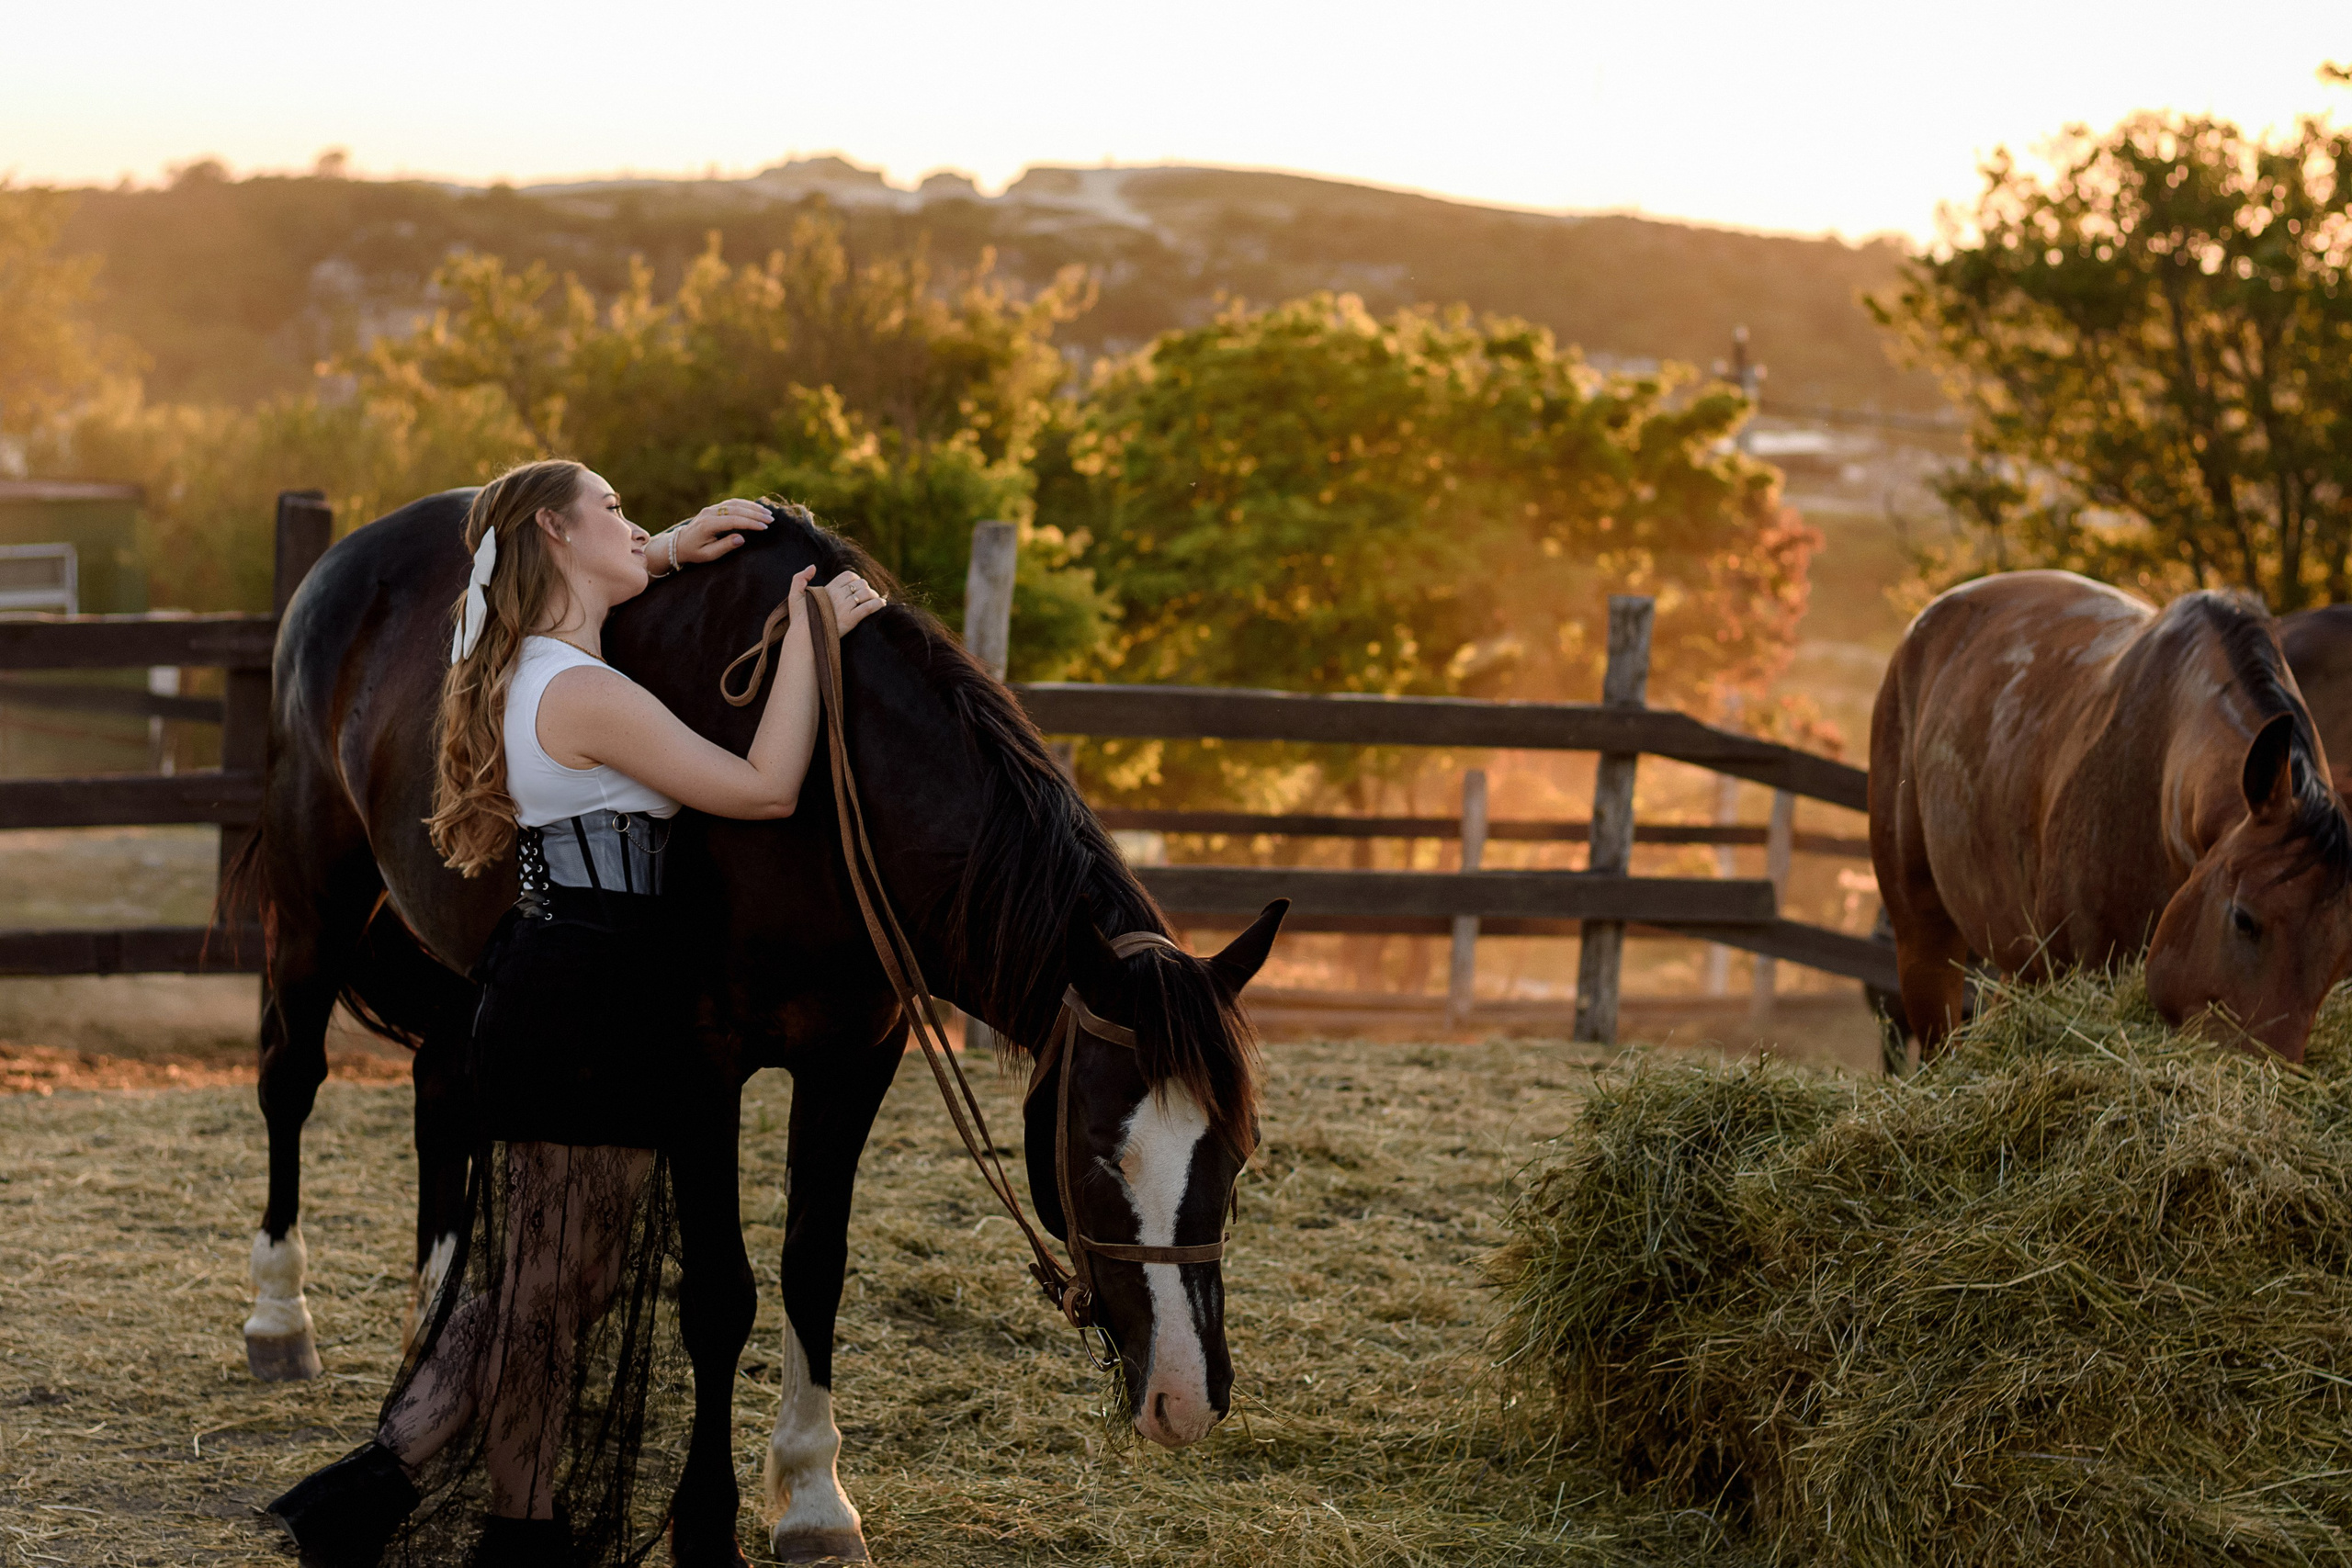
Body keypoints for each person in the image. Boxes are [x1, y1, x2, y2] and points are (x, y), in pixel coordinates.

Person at [266, 459, 885, 1566]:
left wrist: (666, 548)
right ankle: (441, 1509)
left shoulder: (528, 656)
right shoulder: (579, 690)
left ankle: (469, 1511)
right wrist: (810, 640)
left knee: (563, 1284)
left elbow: (534, 582)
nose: (633, 521)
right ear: (554, 532)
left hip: (577, 983)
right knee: (544, 1292)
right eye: (612, 509)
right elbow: (764, 790)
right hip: (581, 996)